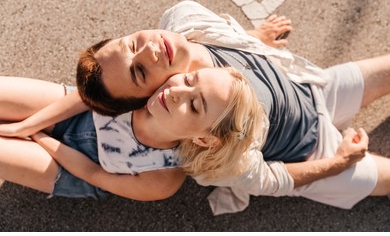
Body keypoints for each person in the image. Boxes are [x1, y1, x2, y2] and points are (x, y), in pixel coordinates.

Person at [1, 1, 388, 214]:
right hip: (312, 154)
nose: (152, 48)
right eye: (139, 71)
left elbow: (233, 44)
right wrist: (339, 161)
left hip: (313, 89)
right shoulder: (225, 150)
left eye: (132, 42)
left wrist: (253, 38)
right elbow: (273, 181)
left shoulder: (188, 27)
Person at [0, 66, 264, 201]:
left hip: (78, 170)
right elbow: (88, 97)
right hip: (82, 112)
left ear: (204, 139)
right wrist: (26, 127)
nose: (175, 92)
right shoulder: (152, 87)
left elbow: (93, 174)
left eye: (194, 105)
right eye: (189, 79)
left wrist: (36, 135)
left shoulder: (162, 180)